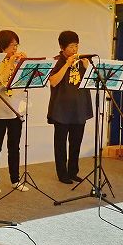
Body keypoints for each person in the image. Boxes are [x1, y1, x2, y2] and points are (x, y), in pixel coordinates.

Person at [47, 31, 93, 184]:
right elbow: (53, 81)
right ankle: (62, 174)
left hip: (79, 108)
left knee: (76, 143)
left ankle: (73, 171)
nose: (75, 49)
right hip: (61, 110)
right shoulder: (56, 61)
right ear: (62, 47)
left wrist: (87, 67)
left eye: (76, 46)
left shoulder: (82, 61)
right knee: (60, 144)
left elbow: (92, 82)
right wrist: (67, 64)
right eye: (71, 46)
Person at [0, 30, 28, 193]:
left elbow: (25, 81)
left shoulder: (18, 62)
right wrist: (10, 62)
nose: (15, 48)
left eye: (17, 45)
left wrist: (25, 64)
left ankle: (15, 179)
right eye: (12, 45)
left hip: (15, 111)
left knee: (14, 147)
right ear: (3, 46)